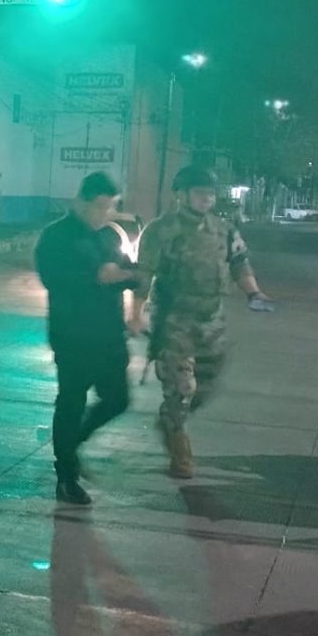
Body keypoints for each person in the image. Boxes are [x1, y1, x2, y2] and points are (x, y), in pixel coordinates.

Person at [129, 165, 272, 478]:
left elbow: (239, 263)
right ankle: (179, 450)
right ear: (181, 195)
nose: (207, 198)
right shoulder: (160, 230)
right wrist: (135, 314)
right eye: (199, 193)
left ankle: (170, 418)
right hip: (173, 321)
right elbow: (144, 274)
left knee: (205, 388)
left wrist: (254, 293)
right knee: (182, 388)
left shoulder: (224, 229)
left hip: (211, 321)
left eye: (210, 193)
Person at [35, 172, 140, 505]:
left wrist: (129, 278)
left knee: (118, 399)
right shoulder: (55, 237)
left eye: (109, 208)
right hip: (72, 335)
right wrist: (98, 278)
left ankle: (73, 441)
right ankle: (66, 475)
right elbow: (54, 279)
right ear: (80, 201)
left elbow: (130, 273)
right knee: (72, 400)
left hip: (109, 334)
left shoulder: (111, 236)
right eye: (98, 207)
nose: (103, 214)